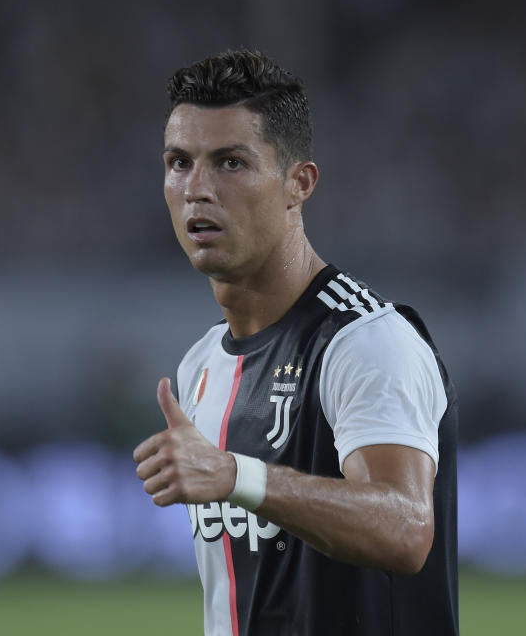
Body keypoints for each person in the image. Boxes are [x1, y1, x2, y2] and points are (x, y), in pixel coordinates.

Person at [133, 49, 458, 636]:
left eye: (230, 162)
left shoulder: (365, 341)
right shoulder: (201, 365)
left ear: (298, 183)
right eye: (179, 162)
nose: (197, 189)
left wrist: (236, 475)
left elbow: (407, 528)